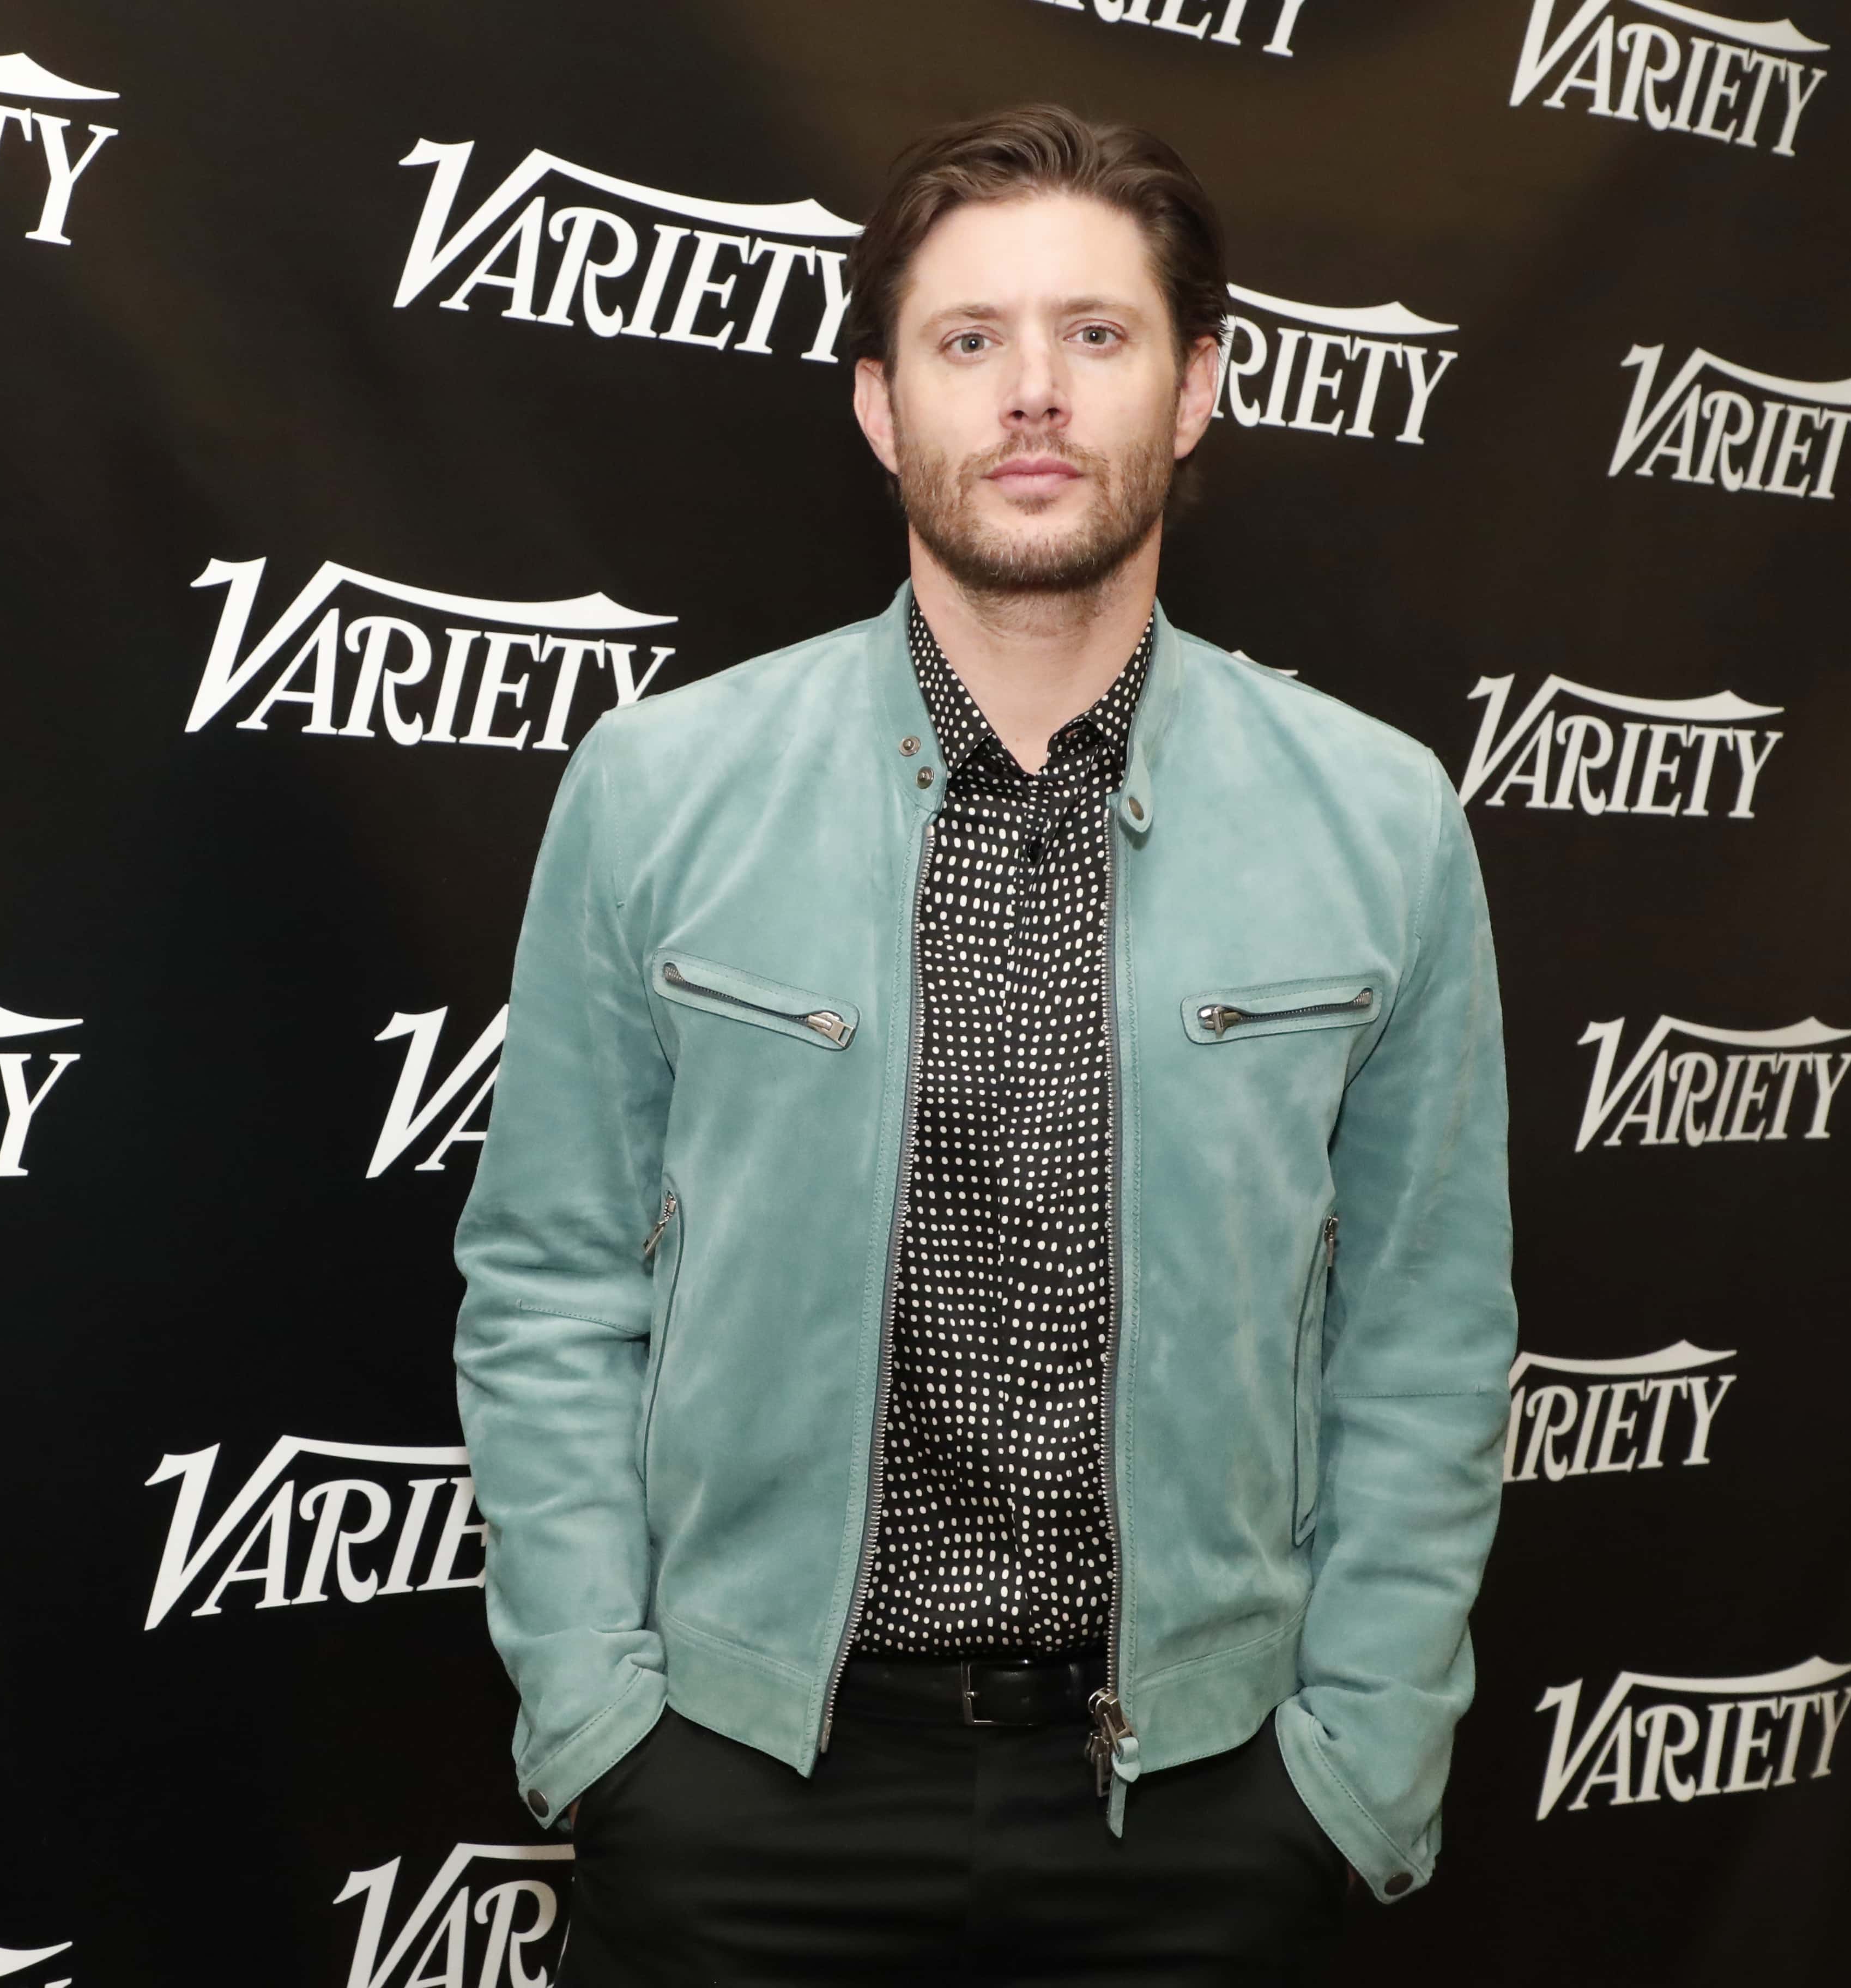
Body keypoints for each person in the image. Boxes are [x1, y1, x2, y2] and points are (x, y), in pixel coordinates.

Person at [453, 104, 1514, 1985]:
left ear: (1198, 387)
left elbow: (1425, 1338)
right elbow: (546, 1284)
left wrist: (1356, 1766)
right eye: (969, 341)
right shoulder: (660, 790)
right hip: (745, 1792)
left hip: (1201, 1807)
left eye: (1097, 337)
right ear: (879, 405)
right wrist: (602, 1728)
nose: (1034, 393)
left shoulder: (1383, 820)